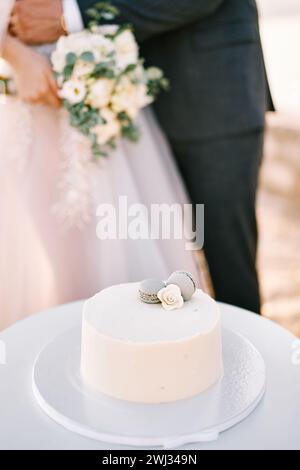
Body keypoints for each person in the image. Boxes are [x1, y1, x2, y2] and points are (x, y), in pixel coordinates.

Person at [10, 0, 274, 314]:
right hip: (109, 109)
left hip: (207, 95)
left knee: (228, 265)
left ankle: (245, 358)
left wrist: (71, 14)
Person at [0, 0, 199, 330]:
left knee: (120, 228)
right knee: (50, 245)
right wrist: (15, 56)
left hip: (104, 77)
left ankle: (128, 348)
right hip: (32, 93)